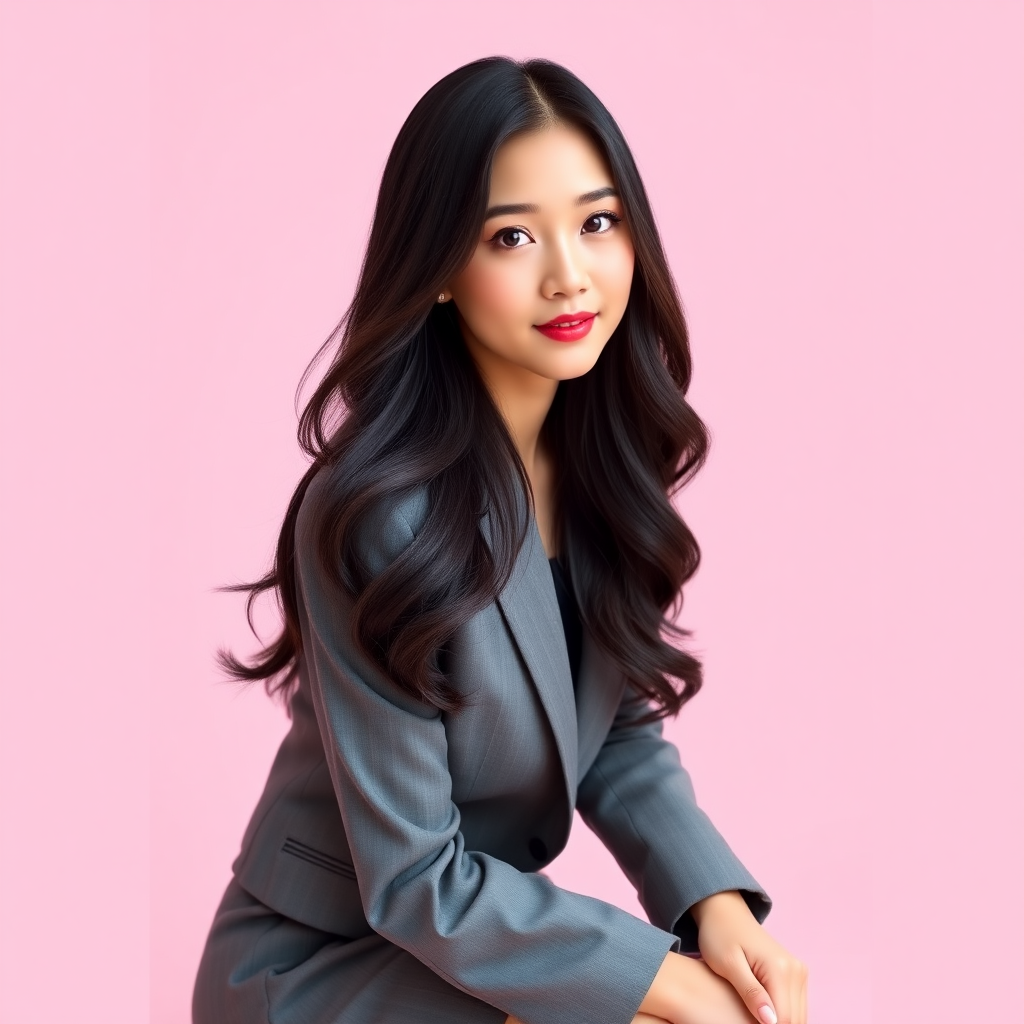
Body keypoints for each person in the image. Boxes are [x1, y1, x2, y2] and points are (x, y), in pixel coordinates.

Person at [192, 56, 808, 1024]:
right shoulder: (375, 513)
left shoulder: (600, 466)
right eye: (512, 236)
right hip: (326, 967)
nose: (570, 273)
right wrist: (663, 977)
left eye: (597, 222)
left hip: (476, 939)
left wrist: (713, 905)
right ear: (437, 266)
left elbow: (610, 729)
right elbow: (413, 880)